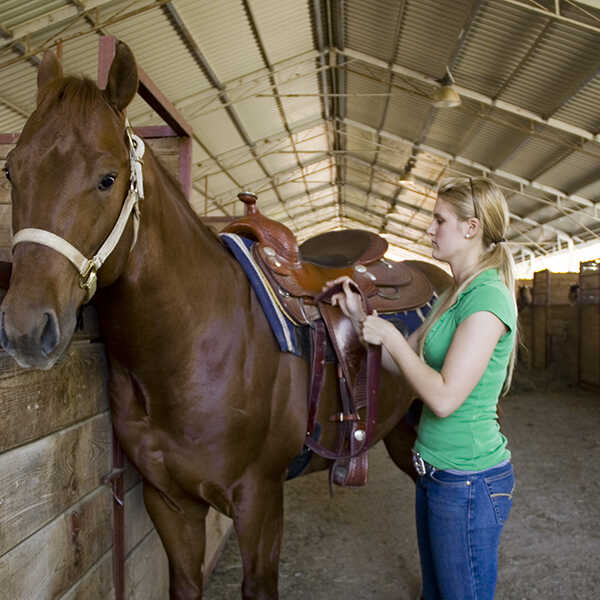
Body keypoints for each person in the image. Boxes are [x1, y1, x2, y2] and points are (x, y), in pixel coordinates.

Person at [327, 177, 517, 600]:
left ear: (471, 228)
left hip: (468, 480)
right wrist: (361, 317)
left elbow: (445, 398)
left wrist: (391, 337)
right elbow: (401, 364)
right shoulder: (455, 292)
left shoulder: (487, 299)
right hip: (435, 473)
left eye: (438, 220)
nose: (429, 229)